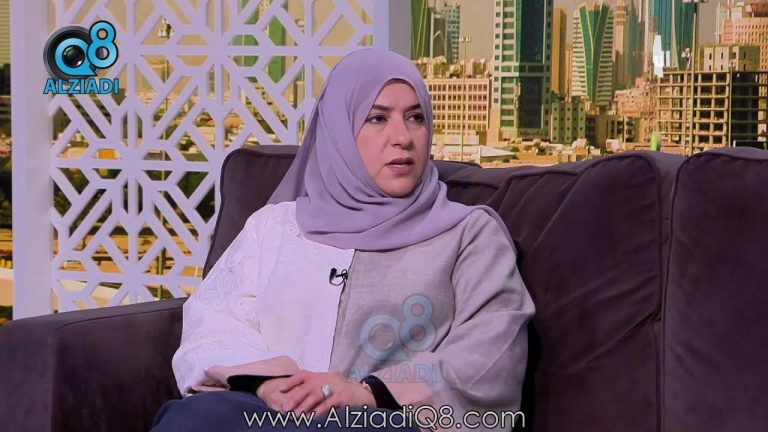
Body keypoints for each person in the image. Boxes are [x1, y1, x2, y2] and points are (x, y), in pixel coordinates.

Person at [151, 48, 534, 431]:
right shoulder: (274, 227)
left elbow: (490, 352)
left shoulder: (469, 235)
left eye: (415, 117)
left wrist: (367, 392)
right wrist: (269, 382)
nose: (403, 138)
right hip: (270, 412)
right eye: (377, 118)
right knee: (194, 418)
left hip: (385, 419)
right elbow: (213, 323)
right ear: (337, 131)